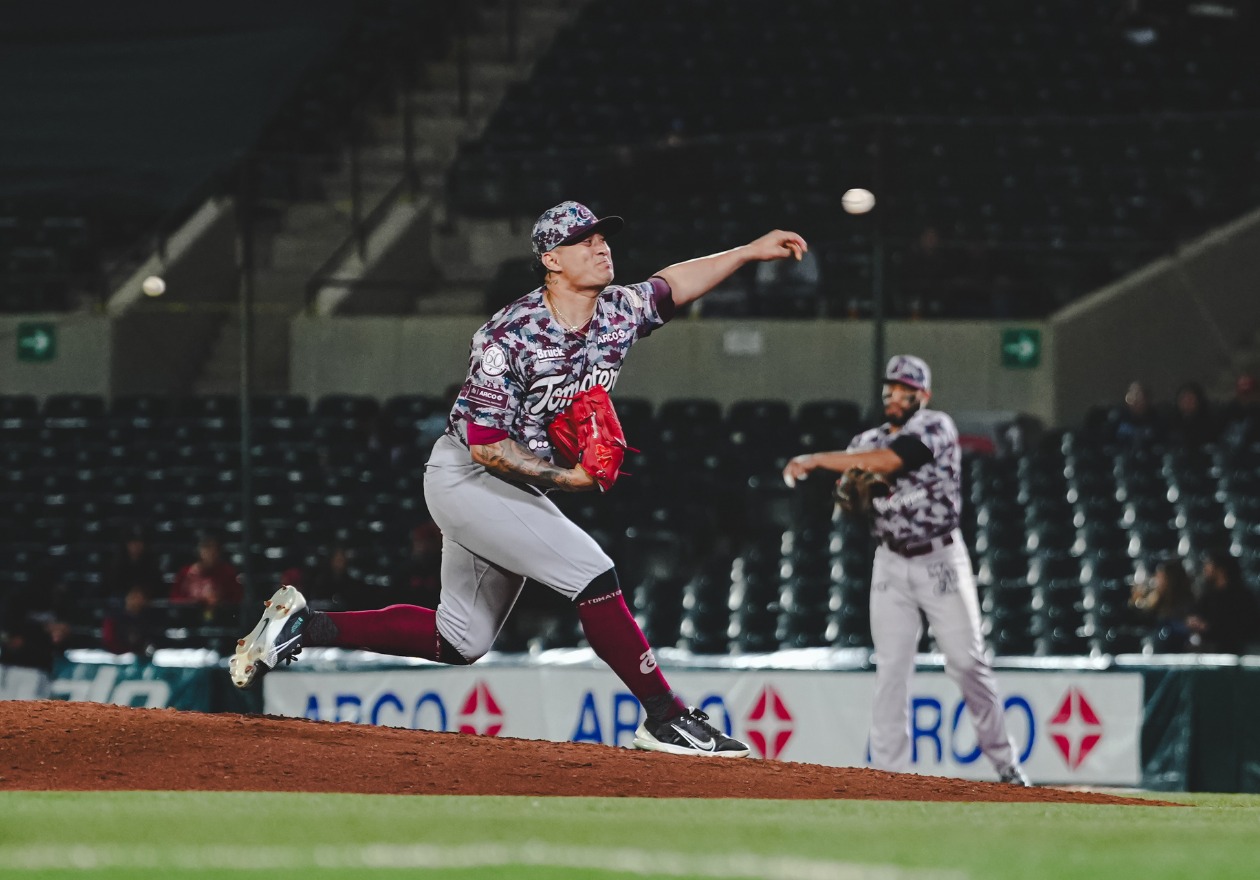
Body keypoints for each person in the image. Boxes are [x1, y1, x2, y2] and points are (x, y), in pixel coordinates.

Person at [231, 200, 808, 757]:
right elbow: (486, 446)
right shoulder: (510, 336)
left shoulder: (617, 312)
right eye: (584, 241)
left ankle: (304, 627)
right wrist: (568, 479)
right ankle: (666, 717)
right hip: (467, 477)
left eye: (602, 237)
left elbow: (674, 283)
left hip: (508, 488)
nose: (600, 246)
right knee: (592, 572)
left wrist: (751, 252)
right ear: (551, 260)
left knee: (461, 640)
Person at [782, 354, 1031, 785]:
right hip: (891, 560)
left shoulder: (936, 426)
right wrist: (850, 492)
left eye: (906, 391)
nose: (896, 397)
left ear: (924, 396)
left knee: (967, 663)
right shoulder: (866, 440)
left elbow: (894, 460)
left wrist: (818, 460)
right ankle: (888, 775)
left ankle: (1005, 763)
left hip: (940, 559)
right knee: (891, 668)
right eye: (891, 389)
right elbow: (850, 499)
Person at [1186, 548, 1260, 654]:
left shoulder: (1242, 596)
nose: (1205, 568)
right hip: (1209, 652)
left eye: (1209, 564)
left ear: (1221, 569)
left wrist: (1208, 627)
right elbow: (1195, 614)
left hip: (1236, 653)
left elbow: (1242, 628)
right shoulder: (1208, 595)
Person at [1129, 557, 1195, 651]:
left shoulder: (1184, 602)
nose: (1156, 581)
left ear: (1170, 580)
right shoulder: (1157, 599)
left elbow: (1181, 627)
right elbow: (1143, 620)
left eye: (1160, 577)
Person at [169, 533, 242, 618]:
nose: (211, 553)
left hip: (221, 618)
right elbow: (174, 599)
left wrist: (219, 601)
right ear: (199, 551)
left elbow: (237, 601)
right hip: (189, 618)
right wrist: (196, 601)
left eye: (214, 548)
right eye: (207, 548)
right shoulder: (186, 573)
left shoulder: (228, 572)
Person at [101, 583, 165, 656]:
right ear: (127, 597)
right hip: (114, 655)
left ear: (145, 601)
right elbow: (109, 641)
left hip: (137, 657)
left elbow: (148, 643)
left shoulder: (147, 620)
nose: (135, 600)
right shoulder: (113, 618)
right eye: (133, 596)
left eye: (139, 597)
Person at [103, 525, 164, 600]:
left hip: (145, 599)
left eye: (139, 542)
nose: (136, 546)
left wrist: (141, 593)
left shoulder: (152, 562)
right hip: (121, 599)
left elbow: (156, 585)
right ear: (126, 544)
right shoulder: (117, 562)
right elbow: (112, 584)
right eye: (132, 542)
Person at [1166, 381, 1219, 449]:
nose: (1186, 402)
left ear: (1198, 401)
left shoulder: (1209, 422)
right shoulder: (1170, 421)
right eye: (1183, 399)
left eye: (1190, 399)